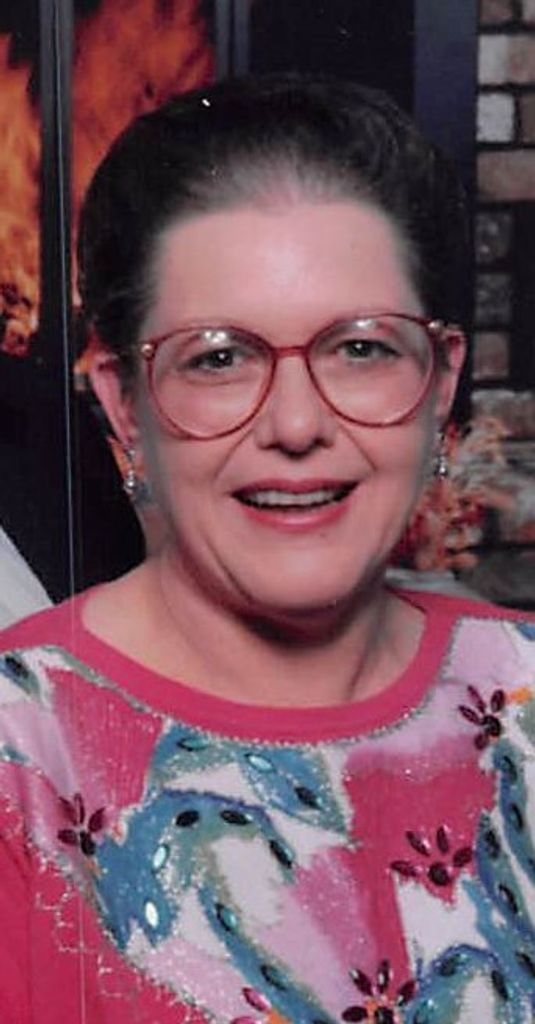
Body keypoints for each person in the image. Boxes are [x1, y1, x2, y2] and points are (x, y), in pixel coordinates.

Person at [0, 74, 533, 1024]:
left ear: (441, 381)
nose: (294, 425)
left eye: (361, 348)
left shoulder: (523, 699)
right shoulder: (18, 763)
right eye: (219, 357)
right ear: (124, 404)